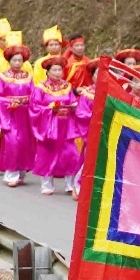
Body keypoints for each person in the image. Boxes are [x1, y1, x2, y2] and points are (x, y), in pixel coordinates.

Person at [30, 57, 83, 195]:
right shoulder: (40, 88)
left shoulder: (67, 86)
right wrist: (49, 109)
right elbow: (34, 107)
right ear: (47, 72)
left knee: (71, 154)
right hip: (49, 126)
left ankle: (70, 184)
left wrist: (73, 107)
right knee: (47, 154)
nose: (58, 72)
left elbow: (72, 101)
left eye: (60, 69)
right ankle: (47, 184)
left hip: (66, 125)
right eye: (54, 70)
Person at [0, 45, 37, 188]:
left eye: (20, 60)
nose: (17, 63)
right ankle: (11, 173)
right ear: (9, 61)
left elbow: (34, 95)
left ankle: (21, 172)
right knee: (12, 142)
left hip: (24, 114)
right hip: (9, 114)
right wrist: (10, 102)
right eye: (14, 60)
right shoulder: (3, 77)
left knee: (24, 142)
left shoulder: (28, 77)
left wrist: (26, 101)